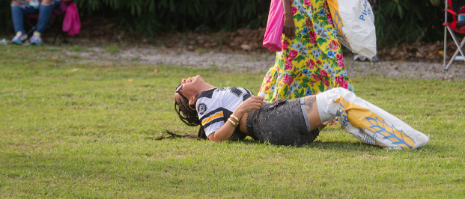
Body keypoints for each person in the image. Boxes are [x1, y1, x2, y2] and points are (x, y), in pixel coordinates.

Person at [169, 74, 430, 150]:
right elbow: (215, 138)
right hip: (271, 122)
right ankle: (403, 140)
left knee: (338, 104)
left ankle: (393, 139)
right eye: (181, 86)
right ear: (190, 100)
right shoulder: (203, 102)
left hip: (275, 124)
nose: (183, 80)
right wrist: (240, 109)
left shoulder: (212, 95)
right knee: (339, 98)